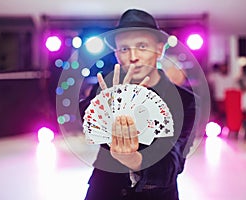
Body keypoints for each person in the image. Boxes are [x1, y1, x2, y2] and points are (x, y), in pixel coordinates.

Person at [80, 9, 196, 200]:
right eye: (124, 49)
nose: (133, 56)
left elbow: (173, 164)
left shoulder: (186, 101)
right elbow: (86, 116)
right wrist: (107, 108)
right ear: (117, 54)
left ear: (159, 49)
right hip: (104, 191)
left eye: (142, 46)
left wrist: (133, 159)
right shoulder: (107, 90)